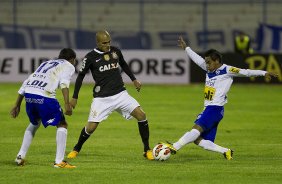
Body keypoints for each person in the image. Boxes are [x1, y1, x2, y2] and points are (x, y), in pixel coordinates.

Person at [162, 36, 278, 160]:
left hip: (214, 108)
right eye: (206, 62)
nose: (206, 65)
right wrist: (186, 48)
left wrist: (264, 72)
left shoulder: (227, 70)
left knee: (195, 130)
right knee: (197, 140)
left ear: (217, 61)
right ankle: (226, 151)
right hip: (212, 109)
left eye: (209, 62)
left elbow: (246, 72)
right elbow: (197, 59)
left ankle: (174, 146)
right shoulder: (209, 69)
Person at [67, 30, 154, 160]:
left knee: (141, 115)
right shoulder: (90, 57)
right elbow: (80, 76)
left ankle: (147, 150)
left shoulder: (115, 51)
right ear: (97, 42)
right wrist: (74, 97)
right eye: (104, 43)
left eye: (109, 42)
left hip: (120, 94)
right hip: (102, 98)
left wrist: (134, 79)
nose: (107, 45)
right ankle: (76, 148)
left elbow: (123, 64)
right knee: (90, 128)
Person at [10, 48, 77, 168]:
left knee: (35, 123)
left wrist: (17, 104)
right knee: (62, 124)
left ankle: (20, 156)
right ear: (72, 60)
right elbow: (64, 83)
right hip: (44, 96)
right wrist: (67, 103)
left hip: (29, 95)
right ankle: (59, 161)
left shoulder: (45, 63)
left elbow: (27, 81)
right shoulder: (68, 65)